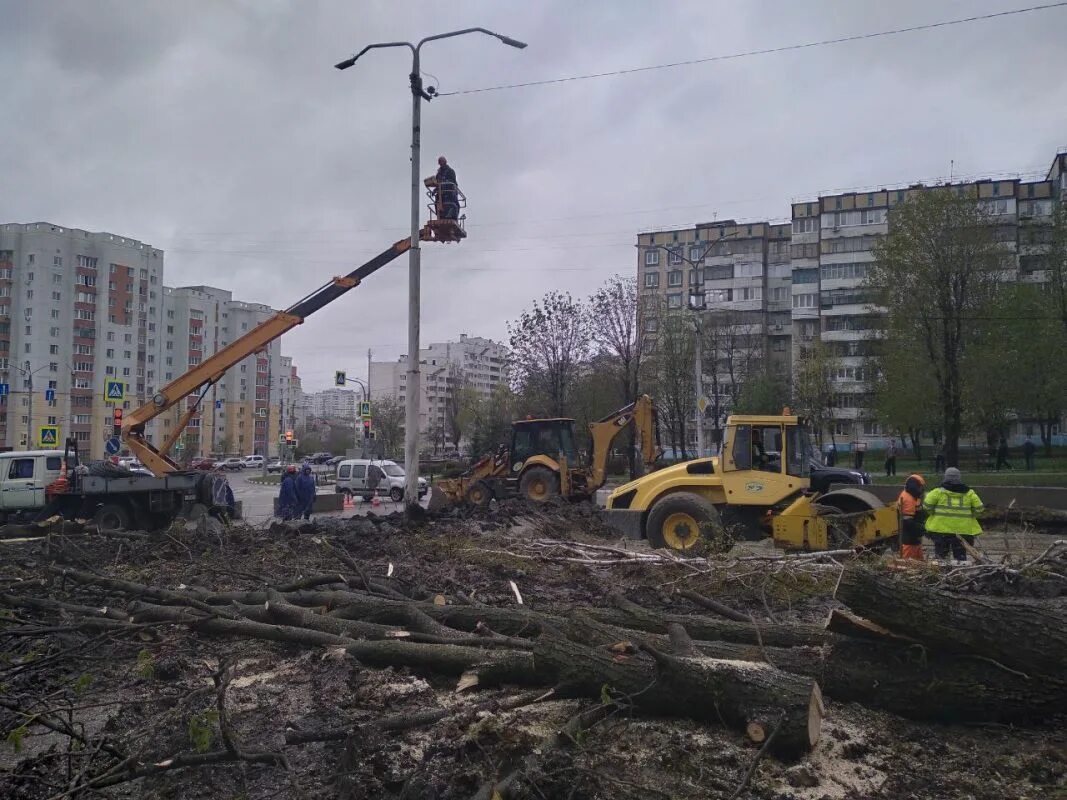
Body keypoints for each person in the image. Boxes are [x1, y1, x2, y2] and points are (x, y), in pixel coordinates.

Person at [923, 467, 984, 563]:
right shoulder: (969, 493)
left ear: (945, 478)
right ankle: (959, 575)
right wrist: (971, 515)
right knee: (960, 558)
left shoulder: (938, 492)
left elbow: (926, 506)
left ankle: (941, 575)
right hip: (963, 531)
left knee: (940, 558)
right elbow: (979, 509)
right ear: (959, 478)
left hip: (940, 531)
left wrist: (933, 513)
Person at [896, 473, 926, 561]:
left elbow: (918, 511)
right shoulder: (907, 498)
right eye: (920, 487)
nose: (922, 489)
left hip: (914, 536)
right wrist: (921, 528)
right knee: (908, 562)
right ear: (915, 486)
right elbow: (907, 521)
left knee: (918, 561)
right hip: (908, 537)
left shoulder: (913, 496)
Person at [435, 156, 459, 220]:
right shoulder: (439, 173)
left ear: (445, 162)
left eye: (441, 162)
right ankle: (440, 214)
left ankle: (452, 214)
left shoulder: (450, 171)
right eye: (439, 163)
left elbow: (452, 181)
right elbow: (437, 183)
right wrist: (435, 189)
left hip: (449, 191)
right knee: (437, 200)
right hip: (441, 193)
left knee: (453, 204)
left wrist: (444, 183)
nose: (440, 164)